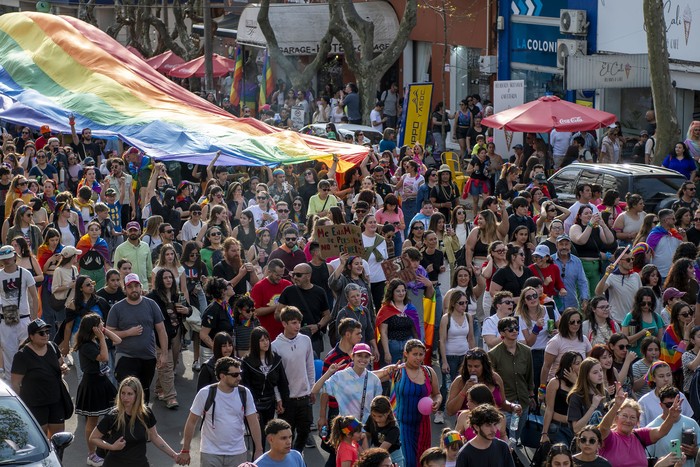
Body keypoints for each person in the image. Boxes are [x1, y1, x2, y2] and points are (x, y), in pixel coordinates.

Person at [179, 357, 263, 466]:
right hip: (210, 453)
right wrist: (185, 450)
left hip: (238, 452)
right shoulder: (205, 393)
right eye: (235, 375)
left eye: (239, 373)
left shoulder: (245, 393)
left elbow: (253, 422)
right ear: (222, 376)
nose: (239, 377)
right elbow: (191, 422)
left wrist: (259, 449)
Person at [105, 273, 169, 403]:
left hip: (148, 357)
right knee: (127, 393)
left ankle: (141, 421)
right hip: (125, 357)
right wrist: (128, 333)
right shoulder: (117, 308)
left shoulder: (151, 305)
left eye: (136, 286)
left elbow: (161, 330)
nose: (134, 289)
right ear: (125, 289)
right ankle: (125, 421)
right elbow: (108, 332)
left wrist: (164, 353)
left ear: (141, 287)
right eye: (130, 287)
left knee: (143, 393)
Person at [89, 376, 181, 467]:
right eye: (123, 393)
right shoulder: (113, 416)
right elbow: (93, 438)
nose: (125, 398)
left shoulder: (146, 414)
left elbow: (155, 437)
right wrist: (112, 447)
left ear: (137, 395)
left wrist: (174, 455)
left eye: (130, 394)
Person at [73, 313, 121, 467]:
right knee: (92, 421)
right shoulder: (87, 345)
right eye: (101, 323)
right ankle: (92, 454)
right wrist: (101, 338)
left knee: (113, 414)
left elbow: (118, 340)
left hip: (103, 383)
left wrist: (104, 332)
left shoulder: (95, 340)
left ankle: (107, 448)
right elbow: (104, 358)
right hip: (92, 384)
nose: (103, 324)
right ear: (92, 328)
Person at [10, 318, 68, 437]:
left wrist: (64, 367)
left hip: (56, 401)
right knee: (41, 438)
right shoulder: (22, 356)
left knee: (59, 438)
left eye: (47, 332)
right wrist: (19, 406)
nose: (45, 335)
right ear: (31, 336)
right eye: (41, 333)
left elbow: (61, 363)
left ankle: (58, 456)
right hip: (35, 404)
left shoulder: (53, 347)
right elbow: (15, 383)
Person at [390, 339, 441, 467]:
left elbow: (437, 394)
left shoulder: (429, 372)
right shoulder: (398, 371)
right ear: (406, 354)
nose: (418, 358)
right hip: (403, 425)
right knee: (408, 461)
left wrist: (437, 402)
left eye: (421, 354)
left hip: (423, 426)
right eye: (415, 354)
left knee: (423, 461)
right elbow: (375, 377)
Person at [272, 306, 315, 453]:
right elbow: (275, 377)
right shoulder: (275, 346)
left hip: (304, 397)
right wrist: (278, 398)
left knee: (304, 432)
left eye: (299, 323)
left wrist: (312, 389)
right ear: (284, 324)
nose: (298, 326)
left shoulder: (305, 340)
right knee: (286, 437)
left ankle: (296, 457)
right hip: (287, 400)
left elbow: (310, 366)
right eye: (294, 323)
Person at [598, 389, 679, 467]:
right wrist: (616, 406)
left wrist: (671, 416)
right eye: (624, 416)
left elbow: (661, 431)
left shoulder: (639, 435)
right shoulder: (610, 437)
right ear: (616, 418)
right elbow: (603, 428)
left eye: (633, 417)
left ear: (637, 421)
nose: (628, 420)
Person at [147, 268, 191, 410]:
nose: (168, 280)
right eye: (165, 278)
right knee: (167, 365)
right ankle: (171, 397)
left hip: (176, 333)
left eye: (170, 277)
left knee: (167, 363)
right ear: (160, 280)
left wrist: (186, 310)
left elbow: (189, 309)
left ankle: (160, 389)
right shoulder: (152, 297)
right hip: (160, 336)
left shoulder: (177, 295)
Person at [277, 262, 330, 357]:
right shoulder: (288, 291)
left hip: (313, 338)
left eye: (298, 275)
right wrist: (289, 321)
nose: (295, 277)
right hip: (292, 338)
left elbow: (327, 315)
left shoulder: (319, 292)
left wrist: (318, 326)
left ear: (308, 276)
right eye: (293, 274)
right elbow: (277, 314)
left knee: (312, 365)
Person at [0, 244, 39, 371]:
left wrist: (34, 318)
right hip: (5, 320)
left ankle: (28, 381)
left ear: (15, 257)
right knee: (9, 354)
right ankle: (11, 386)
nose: (7, 260)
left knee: (28, 352)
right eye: (4, 258)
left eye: (9, 257)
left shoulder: (25, 273)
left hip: (24, 319)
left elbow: (34, 296)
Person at [647, 385, 700, 467]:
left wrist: (695, 451)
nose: (674, 407)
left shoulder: (692, 423)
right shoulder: (652, 428)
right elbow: (647, 459)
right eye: (669, 405)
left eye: (677, 403)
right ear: (661, 405)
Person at [541, 308, 591, 384]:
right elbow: (546, 367)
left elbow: (588, 362)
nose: (576, 324)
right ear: (565, 323)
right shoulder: (555, 341)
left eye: (578, 322)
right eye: (572, 322)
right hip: (558, 385)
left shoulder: (584, 339)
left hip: (578, 383)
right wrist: (542, 389)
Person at [638, 361, 694, 427]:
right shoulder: (644, 401)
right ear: (653, 378)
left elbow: (689, 422)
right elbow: (640, 428)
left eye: (668, 375)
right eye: (661, 376)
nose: (666, 379)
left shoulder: (680, 396)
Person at [595, 248, 641, 325]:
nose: (632, 262)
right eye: (628, 260)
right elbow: (598, 292)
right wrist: (606, 274)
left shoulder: (636, 276)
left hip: (633, 320)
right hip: (617, 321)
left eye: (632, 259)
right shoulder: (612, 277)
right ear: (619, 261)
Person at [364, 396, 404, 467]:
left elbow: (382, 449)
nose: (377, 419)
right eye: (374, 415)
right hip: (376, 453)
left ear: (388, 412)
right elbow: (367, 435)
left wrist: (366, 455)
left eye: (380, 416)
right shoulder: (371, 418)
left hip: (393, 457)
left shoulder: (393, 428)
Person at [113, 221, 153, 291]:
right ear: (127, 232)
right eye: (130, 230)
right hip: (128, 287)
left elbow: (149, 268)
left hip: (144, 287)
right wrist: (122, 287)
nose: (133, 232)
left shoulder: (145, 246)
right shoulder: (120, 249)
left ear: (140, 231)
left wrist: (151, 285)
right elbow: (116, 270)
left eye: (135, 230)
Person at [647, 208, 684, 280]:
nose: (675, 221)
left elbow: (683, 248)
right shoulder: (654, 235)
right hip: (660, 275)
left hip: (674, 273)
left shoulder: (674, 233)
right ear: (666, 220)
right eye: (673, 219)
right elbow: (648, 255)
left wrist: (683, 236)